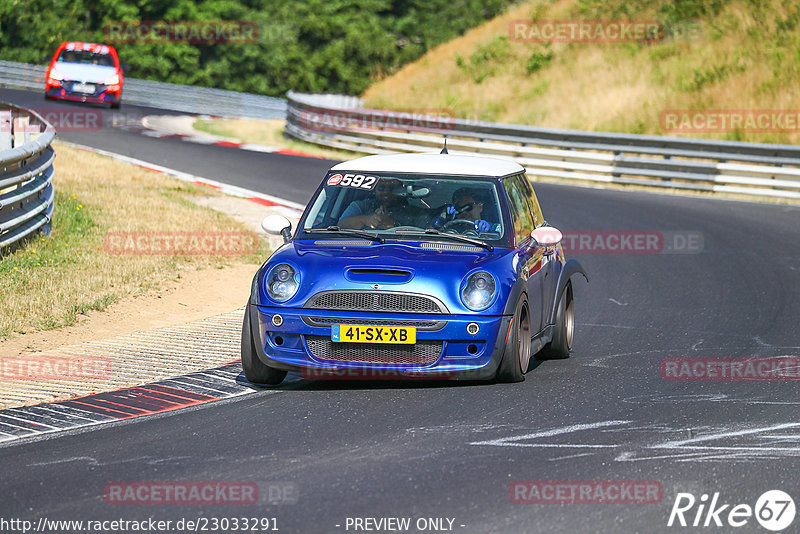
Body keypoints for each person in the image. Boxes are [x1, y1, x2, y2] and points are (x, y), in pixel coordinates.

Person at [338, 178, 408, 230]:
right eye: (381, 188)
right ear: (374, 191)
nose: (386, 192)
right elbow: (340, 225)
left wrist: (395, 224)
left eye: (391, 188)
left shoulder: (412, 212)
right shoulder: (361, 206)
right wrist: (365, 219)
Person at [431, 187, 498, 233]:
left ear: (480, 207)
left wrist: (490, 233)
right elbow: (428, 234)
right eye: (459, 209)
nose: (464, 212)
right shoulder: (449, 229)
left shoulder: (493, 227)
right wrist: (441, 220)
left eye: (468, 207)